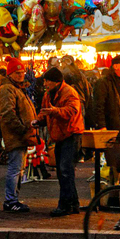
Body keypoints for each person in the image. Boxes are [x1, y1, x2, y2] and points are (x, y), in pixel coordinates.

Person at [37, 65, 86, 216]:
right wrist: (38, 121)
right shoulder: (48, 94)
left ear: (56, 82)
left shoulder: (69, 92)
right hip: (60, 135)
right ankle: (73, 204)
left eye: (47, 81)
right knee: (63, 171)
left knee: (65, 170)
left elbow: (71, 111)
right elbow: (45, 112)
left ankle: (65, 205)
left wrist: (54, 111)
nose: (45, 84)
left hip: (71, 134)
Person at [0, 57, 37, 213]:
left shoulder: (16, 88)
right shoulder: (7, 89)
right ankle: (10, 200)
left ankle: (13, 199)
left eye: (22, 72)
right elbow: (7, 113)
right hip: (16, 135)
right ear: (10, 74)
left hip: (22, 134)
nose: (21, 75)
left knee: (19, 168)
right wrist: (21, 129)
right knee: (15, 168)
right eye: (17, 73)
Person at [90, 54, 120, 137]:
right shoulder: (104, 83)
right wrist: (102, 126)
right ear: (116, 66)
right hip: (113, 128)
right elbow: (98, 106)